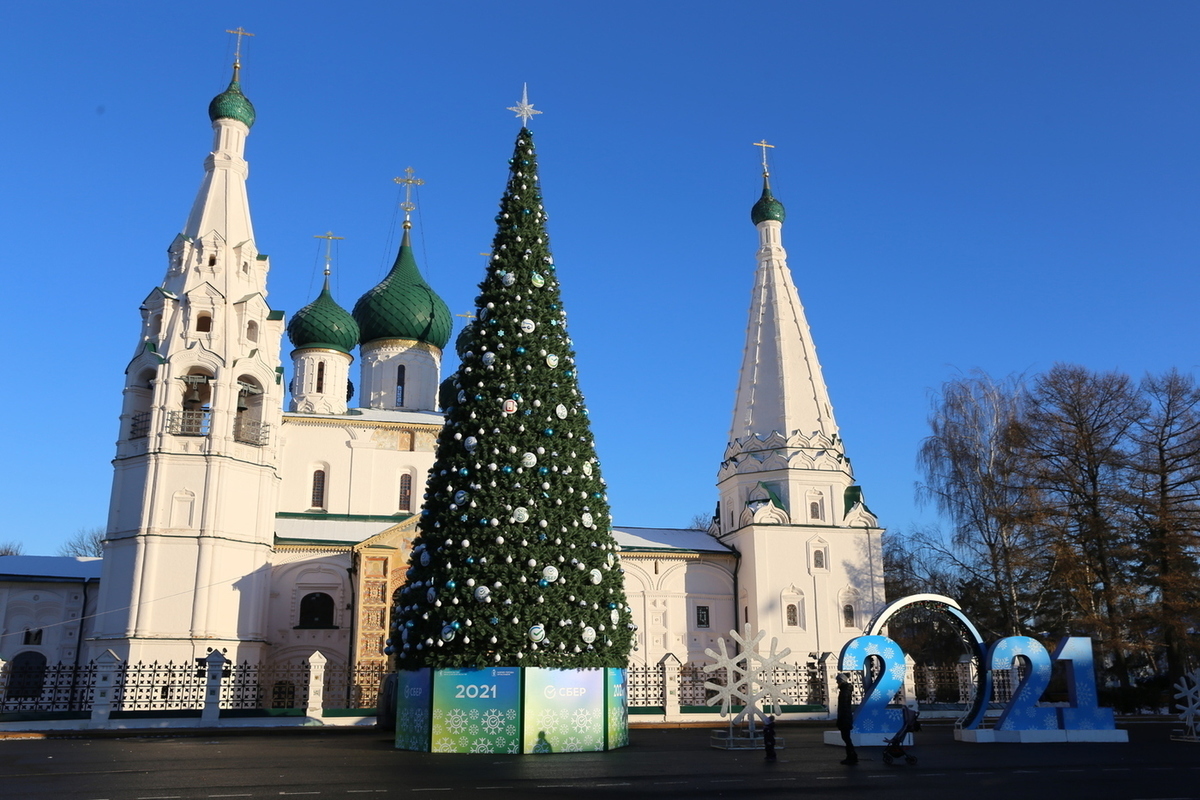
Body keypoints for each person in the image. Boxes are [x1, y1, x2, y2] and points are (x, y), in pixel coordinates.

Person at [836, 673, 858, 765]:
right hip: (846, 717)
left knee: (846, 738)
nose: (837, 682)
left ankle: (851, 757)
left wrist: (841, 719)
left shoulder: (844, 692)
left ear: (841, 681)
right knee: (846, 738)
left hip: (845, 718)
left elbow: (843, 707)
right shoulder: (845, 690)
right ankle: (852, 756)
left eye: (838, 681)